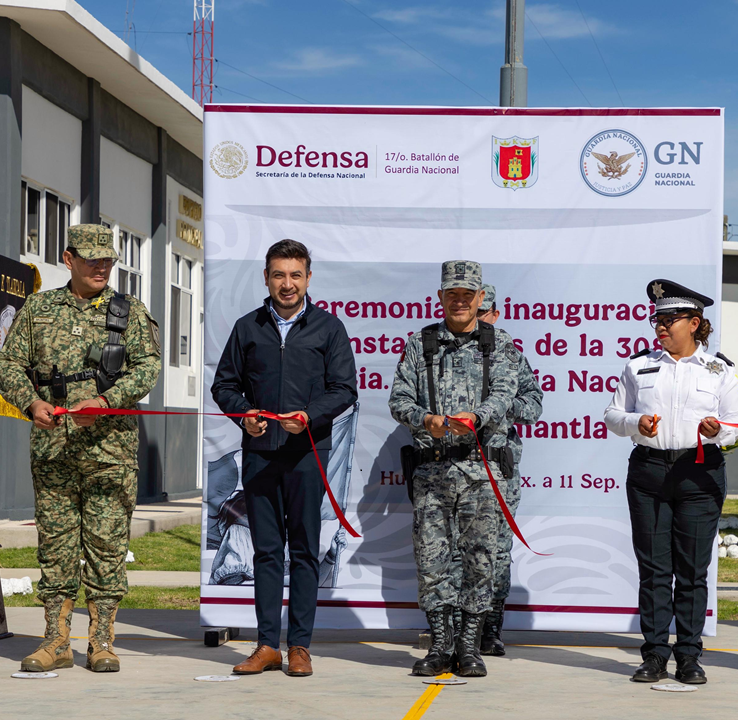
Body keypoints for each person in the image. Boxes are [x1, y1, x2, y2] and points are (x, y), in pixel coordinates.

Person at [0, 224, 162, 674]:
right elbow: (8, 362)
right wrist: (31, 403)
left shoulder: (128, 311)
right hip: (53, 447)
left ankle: (102, 641)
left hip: (110, 451)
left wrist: (107, 401)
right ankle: (56, 641)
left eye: (107, 259)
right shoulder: (39, 308)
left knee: (107, 545)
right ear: (68, 260)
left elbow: (148, 367)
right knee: (56, 545)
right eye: (92, 259)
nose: (101, 267)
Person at [210, 239, 357, 678]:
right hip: (259, 455)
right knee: (267, 552)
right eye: (279, 274)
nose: (287, 283)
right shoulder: (247, 328)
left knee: (306, 551)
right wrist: (244, 416)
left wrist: (309, 417)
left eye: (295, 275)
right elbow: (225, 386)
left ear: (308, 278)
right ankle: (266, 645)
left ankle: (300, 647)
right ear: (267, 278)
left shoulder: (328, 329)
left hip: (307, 455)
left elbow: (344, 389)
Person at [603, 279, 738, 686]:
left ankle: (688, 656)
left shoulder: (720, 369)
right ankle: (653, 655)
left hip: (699, 473)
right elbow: (613, 416)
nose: (660, 326)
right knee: (653, 569)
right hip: (649, 472)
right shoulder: (638, 365)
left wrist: (718, 429)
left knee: (692, 570)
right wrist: (636, 422)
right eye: (656, 319)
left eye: (669, 319)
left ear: (695, 323)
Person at [389, 261, 520, 678]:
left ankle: (469, 646)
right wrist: (424, 419)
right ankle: (440, 646)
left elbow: (504, 395)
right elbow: (398, 399)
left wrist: (475, 418)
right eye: (453, 294)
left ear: (480, 298)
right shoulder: (420, 343)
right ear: (441, 297)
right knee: (432, 562)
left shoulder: (498, 343)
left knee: (481, 560)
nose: (460, 301)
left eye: (468, 294)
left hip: (480, 473)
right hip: (432, 473)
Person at [474, 284, 542, 656]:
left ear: (495, 315)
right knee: (453, 551)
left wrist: (497, 405)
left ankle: (490, 628)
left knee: (497, 551)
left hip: (497, 469)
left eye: (484, 313)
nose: (477, 319)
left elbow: (534, 404)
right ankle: (452, 629)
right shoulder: (442, 348)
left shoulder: (509, 353)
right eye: (473, 311)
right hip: (452, 467)